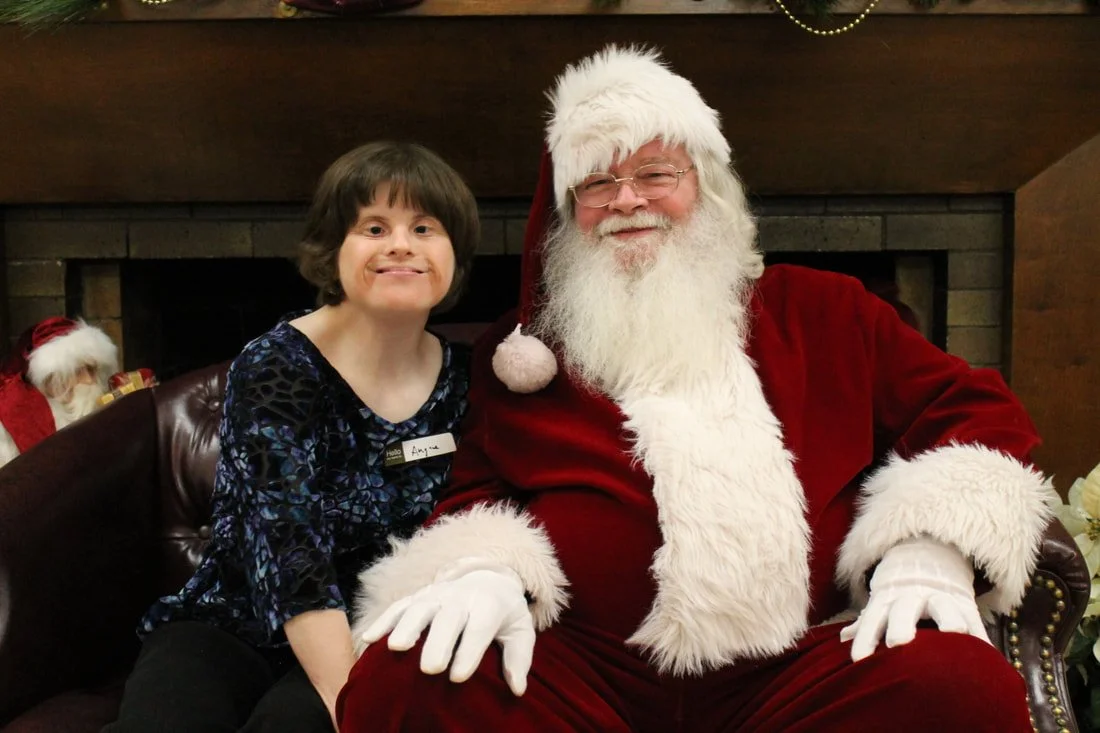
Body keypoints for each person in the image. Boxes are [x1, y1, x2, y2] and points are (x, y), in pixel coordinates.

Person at [338, 47, 1053, 732]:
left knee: (959, 683)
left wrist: (930, 543)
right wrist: (482, 568)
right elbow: (479, 490)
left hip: (798, 673)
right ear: (568, 214)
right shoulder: (523, 352)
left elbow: (975, 410)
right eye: (595, 183)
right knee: (404, 677)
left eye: (655, 173)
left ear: (703, 187)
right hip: (584, 676)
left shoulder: (828, 310)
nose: (626, 200)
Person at [104, 141, 479, 733]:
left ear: (454, 253)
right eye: (374, 227)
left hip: (379, 625)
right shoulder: (277, 366)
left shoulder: (467, 380)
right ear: (335, 253)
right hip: (233, 620)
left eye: (425, 227)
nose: (401, 245)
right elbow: (289, 550)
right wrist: (349, 703)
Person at [0, 316, 117, 469]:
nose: (90, 381)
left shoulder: (99, 400)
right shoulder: (13, 416)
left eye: (93, 370)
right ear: (51, 377)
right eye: (78, 372)